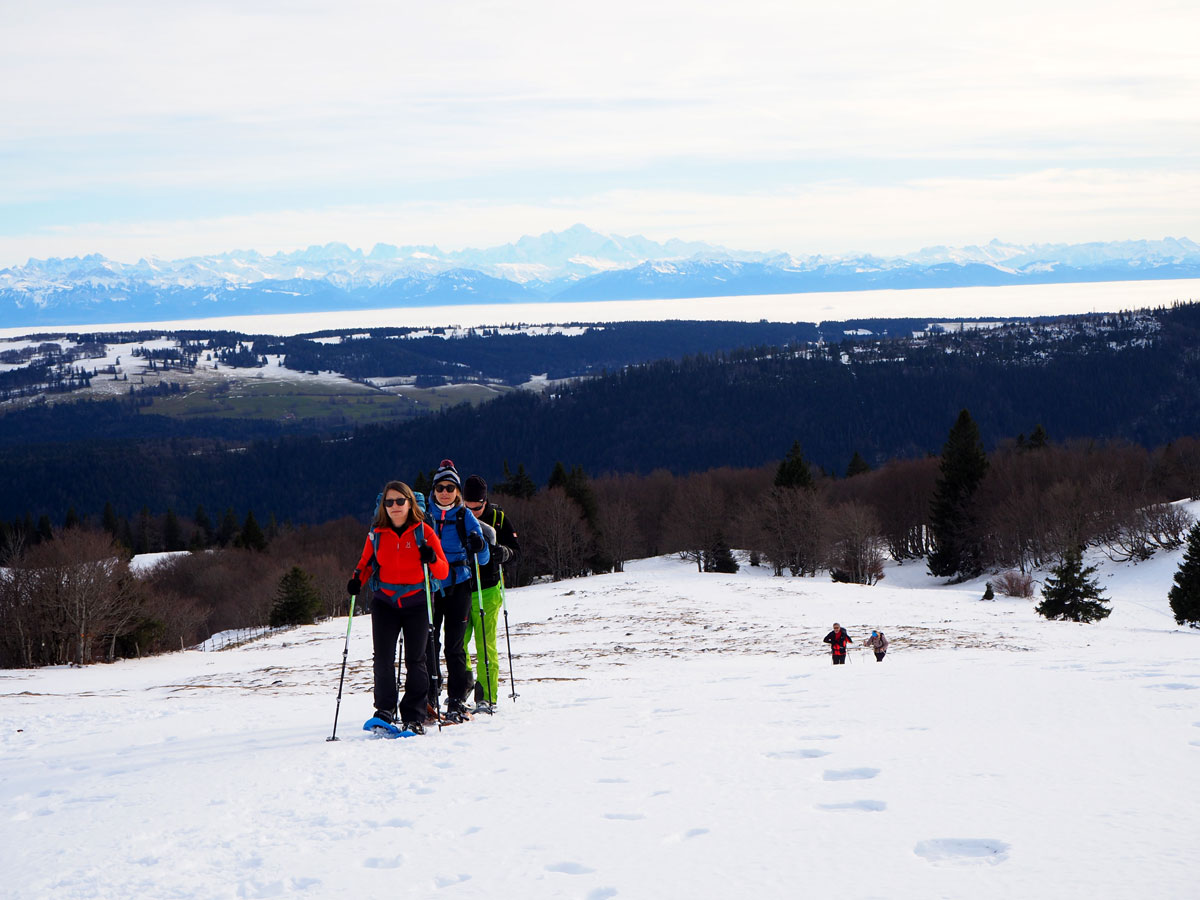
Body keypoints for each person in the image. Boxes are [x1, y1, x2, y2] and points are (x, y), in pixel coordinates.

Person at [348, 481, 448, 735]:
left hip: (416, 603)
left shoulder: (424, 532)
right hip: (385, 603)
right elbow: (366, 562)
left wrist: (432, 557)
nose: (395, 506)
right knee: (382, 659)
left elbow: (443, 571)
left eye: (400, 501)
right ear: (383, 506)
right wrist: (356, 580)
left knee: (417, 660)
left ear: (410, 503)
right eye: (389, 502)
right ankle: (384, 710)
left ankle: (414, 715)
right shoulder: (377, 533)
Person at [424, 459, 489, 723]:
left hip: (459, 584)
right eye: (440, 487)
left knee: (454, 646)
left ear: (457, 490)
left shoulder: (465, 516)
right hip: (432, 587)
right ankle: (428, 697)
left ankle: (456, 699)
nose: (445, 492)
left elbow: (483, 558)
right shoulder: (424, 515)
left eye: (450, 487)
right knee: (429, 643)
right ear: (434, 489)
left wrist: (479, 543)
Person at [462, 474, 521, 709]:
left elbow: (517, 553)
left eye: (477, 507)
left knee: (485, 644)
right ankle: (464, 681)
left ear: (485, 502)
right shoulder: (457, 517)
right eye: (468, 507)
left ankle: (486, 695)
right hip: (461, 589)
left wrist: (503, 553)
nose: (472, 512)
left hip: (488, 590)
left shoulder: (498, 518)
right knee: (456, 643)